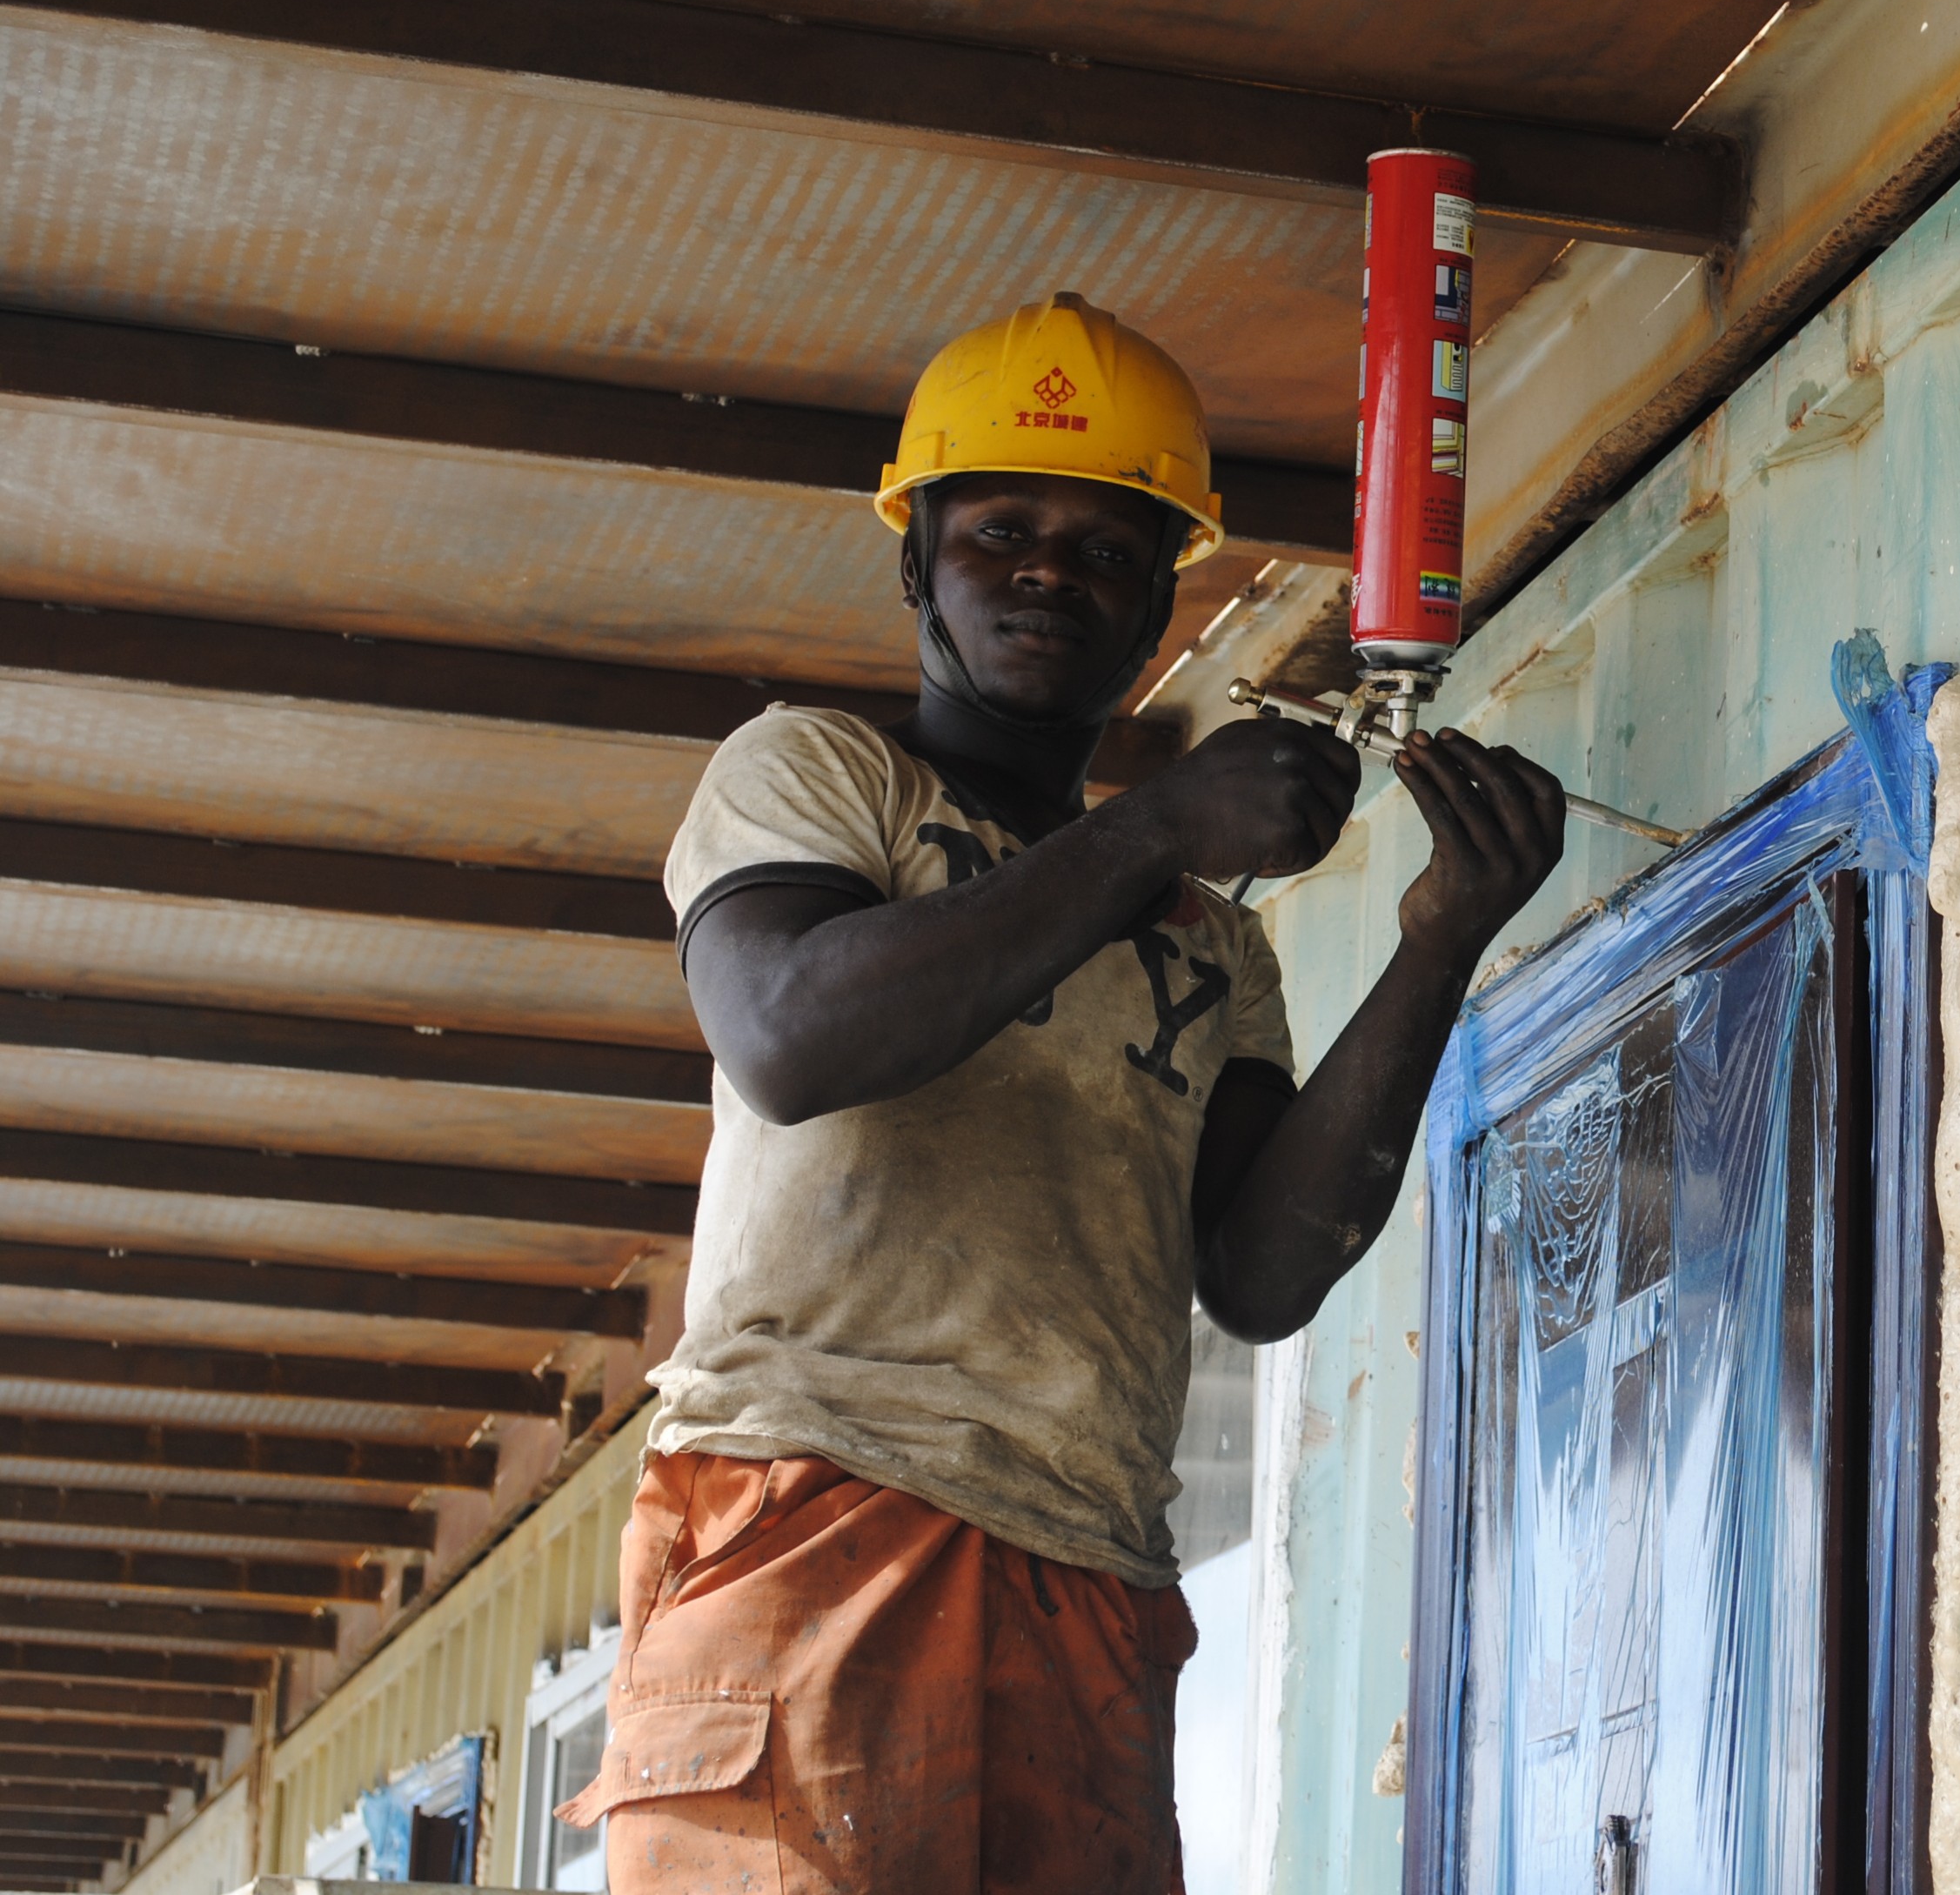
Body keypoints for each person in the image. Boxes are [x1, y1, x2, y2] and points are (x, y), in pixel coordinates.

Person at [562, 293, 1565, 1893]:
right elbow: (790, 1037)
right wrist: (1156, 828)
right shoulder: (815, 772)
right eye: (1003, 530)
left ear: (1164, 604)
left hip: (1088, 1576)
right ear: (917, 563)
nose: (1051, 571)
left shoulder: (1214, 947)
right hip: (812, 1516)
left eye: (1111, 550)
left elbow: (1259, 1278)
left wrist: (1440, 942)